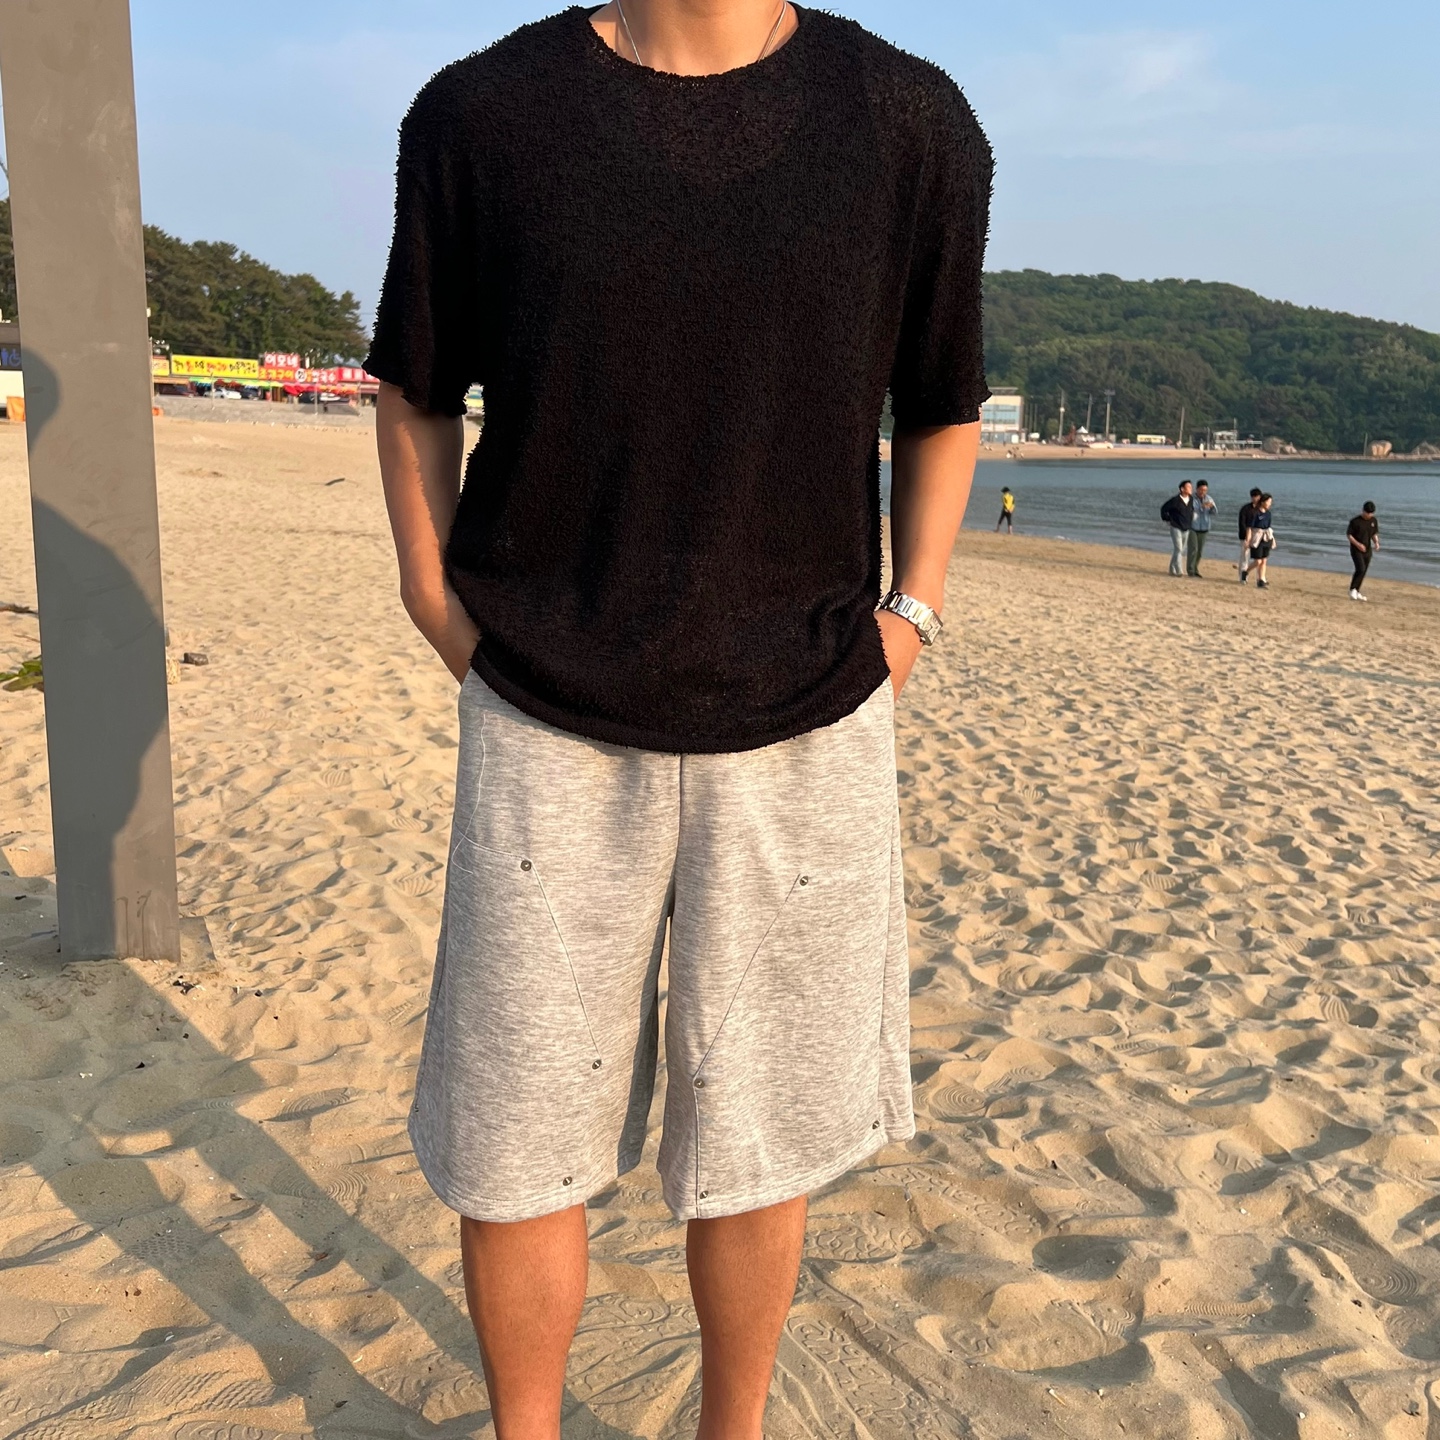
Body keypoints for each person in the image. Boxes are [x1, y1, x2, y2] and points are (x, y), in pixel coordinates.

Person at [366, 3, 991, 1435]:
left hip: (809, 711)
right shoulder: (482, 113)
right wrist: (433, 597)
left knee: (760, 1139)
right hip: (542, 707)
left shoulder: (909, 121)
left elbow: (942, 394)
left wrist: (913, 612)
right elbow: (415, 382)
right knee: (515, 1137)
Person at [1347, 501, 1380, 600]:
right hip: (1356, 549)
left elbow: (1374, 533)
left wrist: (1376, 543)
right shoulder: (1355, 521)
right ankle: (1352, 589)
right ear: (1363, 511)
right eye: (1367, 513)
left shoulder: (1373, 521)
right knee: (1360, 568)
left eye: (1371, 513)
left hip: (1367, 550)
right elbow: (1349, 535)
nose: (1369, 515)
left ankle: (1357, 590)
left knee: (1364, 570)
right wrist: (1358, 545)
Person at [1161, 479, 1193, 576]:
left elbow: (1192, 511)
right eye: (1188, 487)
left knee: (1181, 550)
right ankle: (1179, 570)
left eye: (1191, 487)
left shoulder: (1191, 499)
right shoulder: (1175, 500)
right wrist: (1168, 519)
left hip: (1186, 528)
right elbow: (1163, 509)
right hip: (1176, 527)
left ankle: (1172, 568)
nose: (1191, 488)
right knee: (1178, 548)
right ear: (1182, 489)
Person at [1186, 478, 1216, 577]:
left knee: (1200, 551)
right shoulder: (1191, 498)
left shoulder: (1209, 498)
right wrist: (1201, 507)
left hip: (1204, 527)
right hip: (1192, 527)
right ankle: (1190, 570)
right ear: (1197, 489)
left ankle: (1195, 569)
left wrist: (1211, 507)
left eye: (1205, 490)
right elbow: (1189, 510)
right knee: (1193, 548)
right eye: (1201, 490)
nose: (1203, 492)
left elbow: (1214, 512)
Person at [1247, 493, 1276, 589]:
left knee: (1264, 560)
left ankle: (1261, 580)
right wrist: (1248, 540)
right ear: (1263, 502)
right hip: (1257, 538)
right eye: (1268, 502)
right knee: (1258, 561)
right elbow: (1250, 528)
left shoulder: (1268, 513)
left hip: (1266, 538)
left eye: (1271, 502)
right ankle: (1246, 571)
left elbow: (1269, 527)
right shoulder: (1255, 513)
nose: (1270, 504)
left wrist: (1272, 539)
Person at [1237, 486, 1262, 582]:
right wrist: (1246, 537)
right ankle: (1242, 577)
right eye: (1253, 496)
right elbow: (1242, 523)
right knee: (1245, 556)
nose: (1255, 498)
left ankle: (1259, 578)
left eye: (1257, 496)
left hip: (1258, 537)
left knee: (1258, 558)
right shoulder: (1245, 509)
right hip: (1245, 536)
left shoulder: (1261, 509)